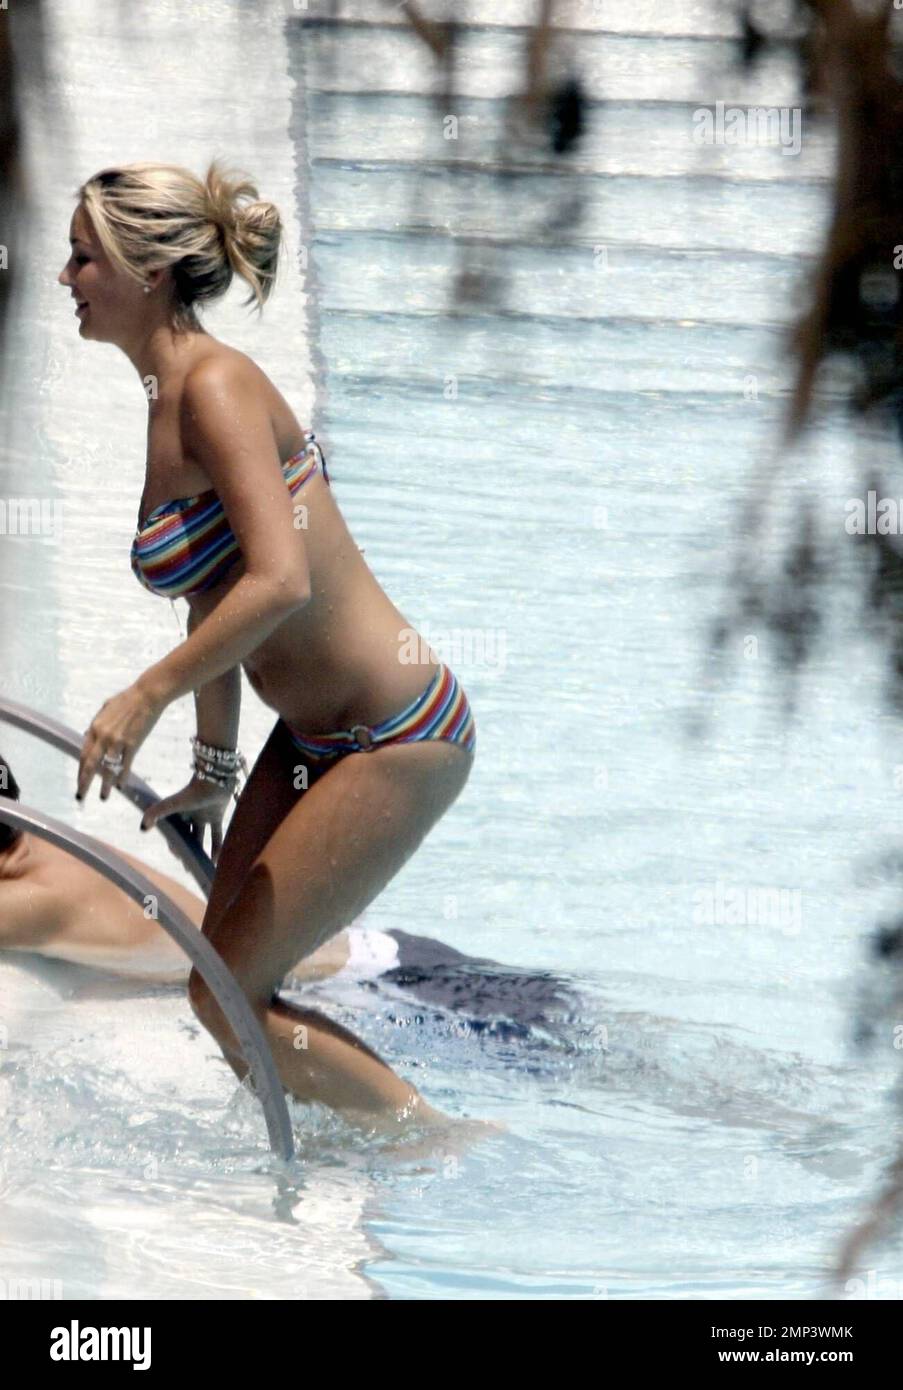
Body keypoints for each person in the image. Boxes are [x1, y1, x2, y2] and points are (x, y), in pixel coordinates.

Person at [58, 159, 481, 1136]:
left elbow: (281, 578)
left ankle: (443, 1145)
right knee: (225, 986)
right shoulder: (167, 397)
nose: (65, 277)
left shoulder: (215, 386)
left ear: (145, 268)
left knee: (228, 994)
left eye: (83, 258)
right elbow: (214, 584)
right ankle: (366, 1140)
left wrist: (143, 695)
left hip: (394, 732)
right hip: (310, 739)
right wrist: (214, 763)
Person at [0, 754, 578, 1041]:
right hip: (381, 963)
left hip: (376, 992)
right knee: (599, 1038)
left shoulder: (42, 897)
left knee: (611, 1061)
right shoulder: (45, 847)